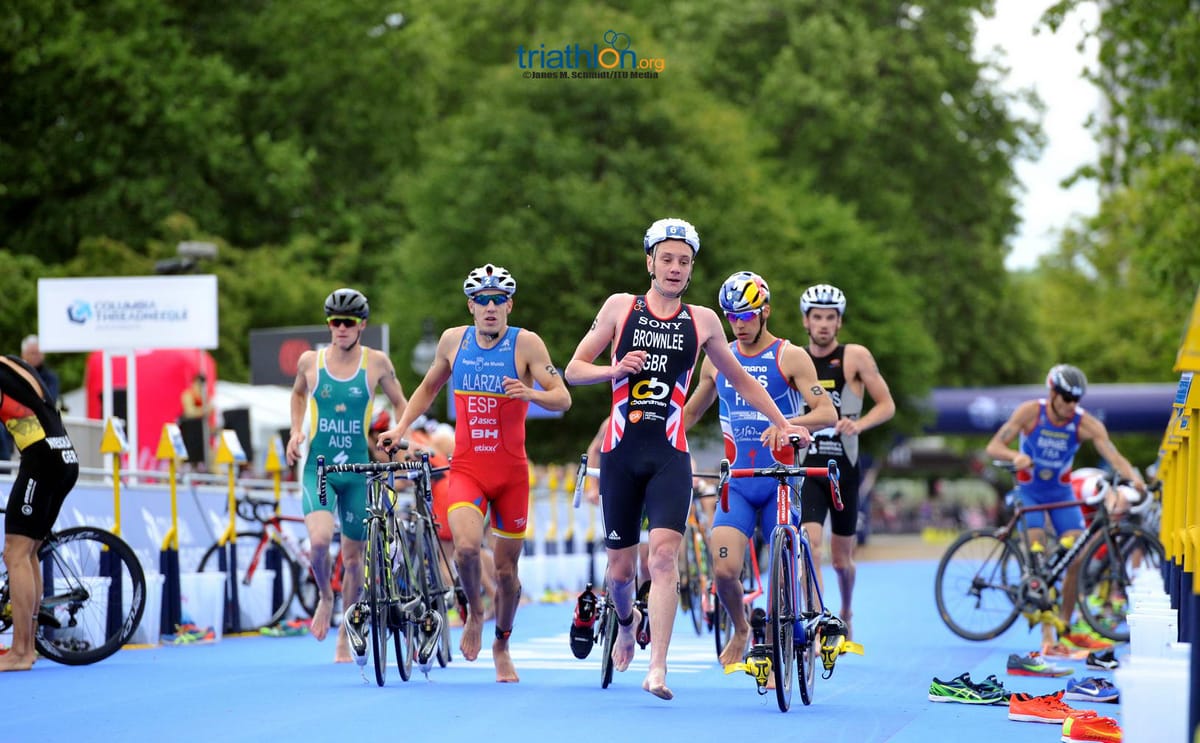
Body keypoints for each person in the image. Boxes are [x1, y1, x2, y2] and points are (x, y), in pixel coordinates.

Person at [564, 217, 812, 700]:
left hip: (668, 455)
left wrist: (783, 423)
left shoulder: (702, 321)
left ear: (691, 269)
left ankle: (657, 668)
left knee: (662, 558)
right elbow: (573, 370)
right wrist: (615, 369)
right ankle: (626, 617)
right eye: (667, 259)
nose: (675, 268)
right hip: (620, 453)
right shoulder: (621, 307)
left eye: (684, 261)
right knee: (619, 573)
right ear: (650, 262)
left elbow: (740, 379)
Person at [376, 263, 571, 683]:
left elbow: (563, 399)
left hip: (512, 475)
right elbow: (428, 389)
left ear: (509, 305)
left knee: (506, 572)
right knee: (464, 549)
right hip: (467, 468)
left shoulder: (527, 344)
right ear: (470, 306)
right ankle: (474, 612)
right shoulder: (452, 341)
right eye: (482, 300)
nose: (490, 307)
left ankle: (502, 642)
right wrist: (400, 427)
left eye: (498, 300)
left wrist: (530, 392)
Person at [682, 271, 837, 667]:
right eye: (731, 316)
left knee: (785, 568)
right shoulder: (717, 358)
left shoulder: (790, 355)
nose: (738, 323)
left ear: (765, 311)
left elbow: (827, 411)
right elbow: (693, 411)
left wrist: (790, 426)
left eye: (747, 315)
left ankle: (778, 638)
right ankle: (741, 628)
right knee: (723, 568)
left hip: (780, 483)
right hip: (738, 482)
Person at [984, 363, 1146, 655]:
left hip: (1061, 493)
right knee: (1039, 557)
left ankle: (1062, 627)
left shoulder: (1086, 424)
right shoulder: (1030, 412)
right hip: (1030, 491)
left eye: (1077, 400)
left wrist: (1135, 478)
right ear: (1052, 393)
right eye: (1067, 398)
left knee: (1077, 557)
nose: (1072, 405)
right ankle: (1046, 639)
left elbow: (1113, 454)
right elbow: (993, 447)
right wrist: (1015, 456)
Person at [284, 288, 408, 663]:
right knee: (319, 542)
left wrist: (401, 438)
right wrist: (295, 430)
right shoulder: (310, 361)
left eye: (348, 323)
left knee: (354, 559)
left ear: (361, 326)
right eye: (334, 322)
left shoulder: (377, 363)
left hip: (357, 470)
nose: (340, 328)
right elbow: (298, 395)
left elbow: (403, 405)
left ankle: (346, 629)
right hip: (320, 468)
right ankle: (325, 597)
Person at [798, 283, 896, 640]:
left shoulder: (854, 356)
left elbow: (886, 404)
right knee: (810, 546)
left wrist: (858, 423)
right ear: (806, 322)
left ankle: (846, 609)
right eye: (817, 317)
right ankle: (817, 618)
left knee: (841, 561)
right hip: (808, 467)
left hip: (843, 469)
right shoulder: (796, 358)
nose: (823, 324)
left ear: (839, 323)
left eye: (830, 318)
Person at [0, 354, 79, 671]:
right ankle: (27, 648)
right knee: (28, 551)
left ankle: (20, 652)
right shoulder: (11, 363)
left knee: (15, 554)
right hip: (63, 456)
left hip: (42, 461)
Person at [20, 336, 60, 410]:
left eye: (38, 353)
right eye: (32, 353)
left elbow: (50, 400)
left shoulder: (51, 377)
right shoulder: (15, 374)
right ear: (23, 355)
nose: (36, 356)